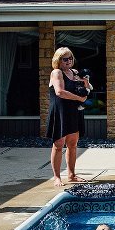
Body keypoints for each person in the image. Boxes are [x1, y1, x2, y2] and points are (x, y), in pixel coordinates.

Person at [46, 47, 89, 187]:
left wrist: (85, 84)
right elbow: (60, 92)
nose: (69, 61)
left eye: (70, 58)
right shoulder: (56, 72)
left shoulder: (75, 72)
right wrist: (79, 98)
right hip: (60, 111)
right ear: (58, 60)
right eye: (65, 59)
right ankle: (57, 177)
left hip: (73, 111)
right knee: (58, 145)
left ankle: (71, 175)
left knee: (72, 144)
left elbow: (85, 89)